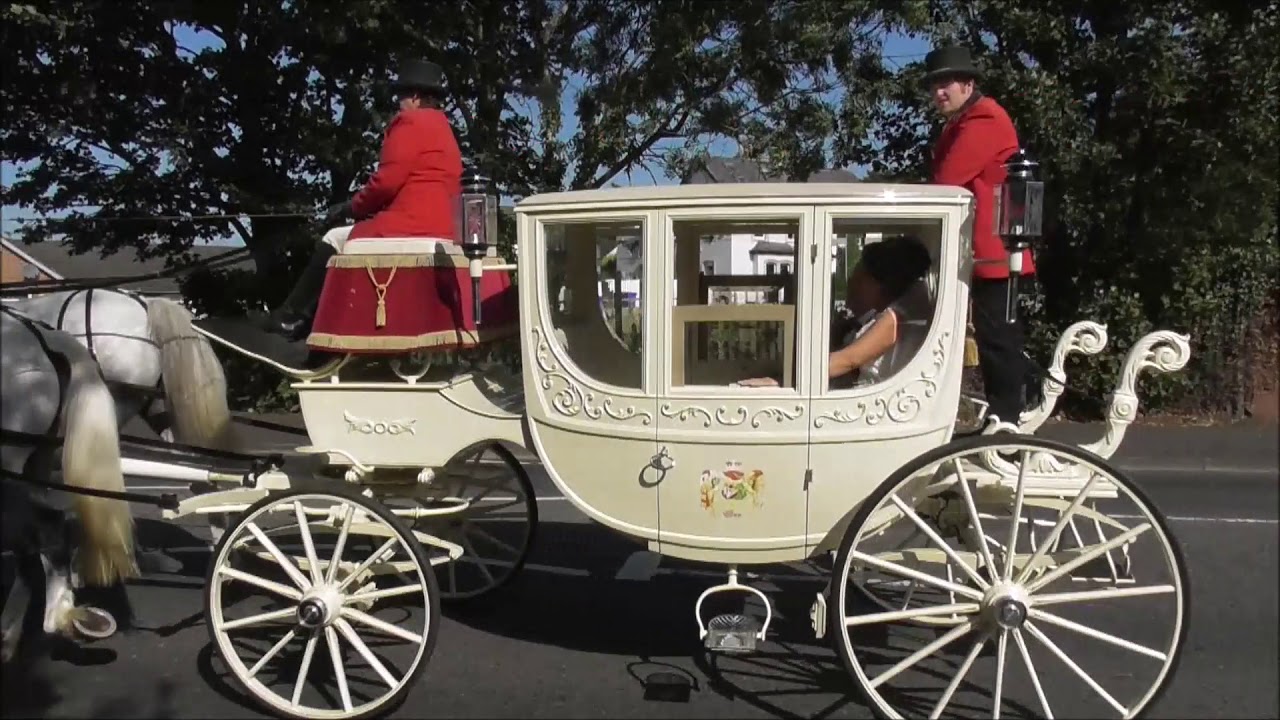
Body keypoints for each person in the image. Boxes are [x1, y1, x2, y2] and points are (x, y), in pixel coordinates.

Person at [263, 58, 464, 341]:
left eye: (402, 96)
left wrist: (350, 207)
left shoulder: (410, 122)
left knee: (334, 239)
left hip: (412, 225)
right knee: (345, 236)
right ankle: (301, 320)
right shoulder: (443, 128)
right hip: (441, 227)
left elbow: (386, 183)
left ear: (416, 97)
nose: (399, 103)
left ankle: (291, 318)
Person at [922, 44, 1039, 426]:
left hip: (995, 251)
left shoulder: (985, 119)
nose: (939, 93)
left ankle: (1007, 422)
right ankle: (1002, 416)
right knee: (993, 339)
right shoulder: (962, 121)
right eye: (935, 86)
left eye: (946, 84)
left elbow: (944, 180)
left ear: (968, 84)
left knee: (998, 341)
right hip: (981, 250)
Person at [737, 235, 932, 388]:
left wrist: (783, 381)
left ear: (877, 282)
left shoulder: (896, 318)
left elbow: (846, 361)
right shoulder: (884, 315)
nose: (851, 286)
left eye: (858, 279)